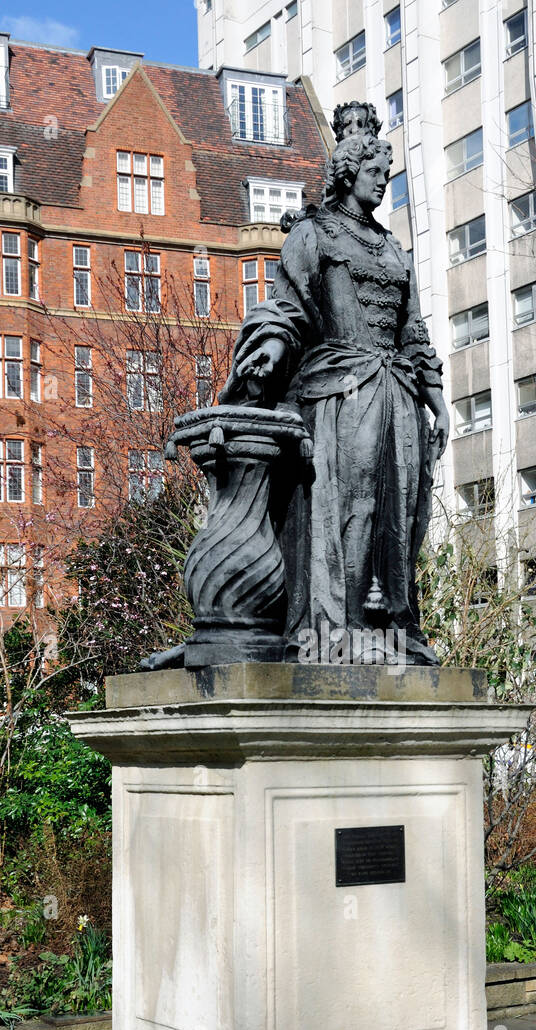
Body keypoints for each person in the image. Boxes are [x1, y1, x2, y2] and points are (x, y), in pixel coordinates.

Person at [218, 122, 450, 665]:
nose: (382, 183)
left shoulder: (392, 246)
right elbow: (289, 307)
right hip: (341, 392)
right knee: (352, 505)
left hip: (398, 393)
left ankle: (395, 625)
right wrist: (273, 348)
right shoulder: (314, 234)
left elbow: (412, 326)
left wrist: (435, 394)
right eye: (373, 173)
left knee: (403, 511)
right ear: (348, 174)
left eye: (387, 175)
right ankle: (336, 628)